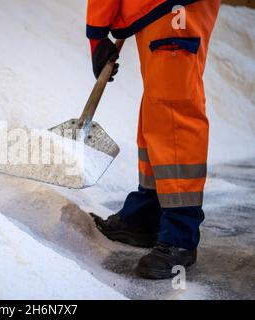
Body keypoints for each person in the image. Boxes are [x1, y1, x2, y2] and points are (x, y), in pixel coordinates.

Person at [87, 0, 221, 279]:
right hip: (154, 7)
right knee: (158, 103)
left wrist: (97, 33)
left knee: (173, 107)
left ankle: (179, 234)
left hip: (175, 6)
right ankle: (147, 213)